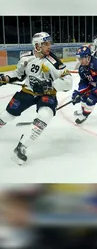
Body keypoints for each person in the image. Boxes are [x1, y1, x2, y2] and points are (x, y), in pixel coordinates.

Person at [0, 32, 72, 165]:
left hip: (47, 94)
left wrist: (49, 84)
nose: (49, 46)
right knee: (8, 115)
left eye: (49, 43)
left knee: (45, 115)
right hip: (28, 91)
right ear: (37, 45)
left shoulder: (54, 62)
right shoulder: (25, 58)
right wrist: (6, 78)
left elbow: (68, 82)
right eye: (45, 44)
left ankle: (22, 146)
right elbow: (19, 74)